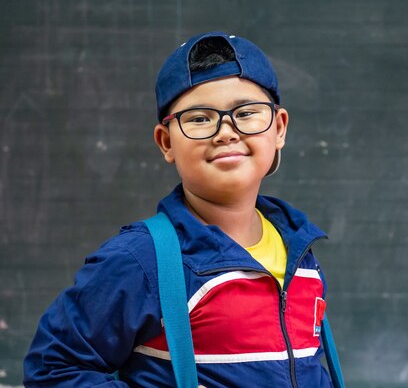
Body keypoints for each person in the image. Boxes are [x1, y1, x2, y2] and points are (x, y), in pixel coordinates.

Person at [24, 32, 334, 387]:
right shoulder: (141, 260)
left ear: (278, 128)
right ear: (166, 141)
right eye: (200, 118)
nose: (226, 132)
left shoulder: (300, 252)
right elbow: (53, 368)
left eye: (246, 113)